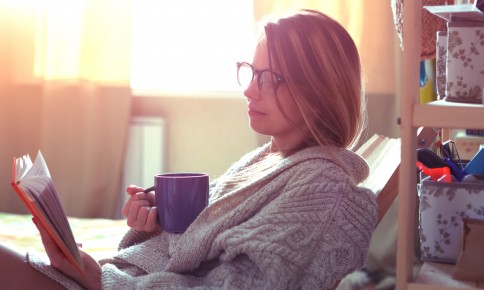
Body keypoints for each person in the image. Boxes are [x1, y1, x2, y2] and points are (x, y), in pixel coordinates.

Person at [0, 9, 377, 290]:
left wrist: (100, 279)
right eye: (251, 72)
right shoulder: (269, 160)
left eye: (269, 79)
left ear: (318, 92)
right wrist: (161, 220)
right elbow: (201, 244)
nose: (248, 90)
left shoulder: (327, 191)